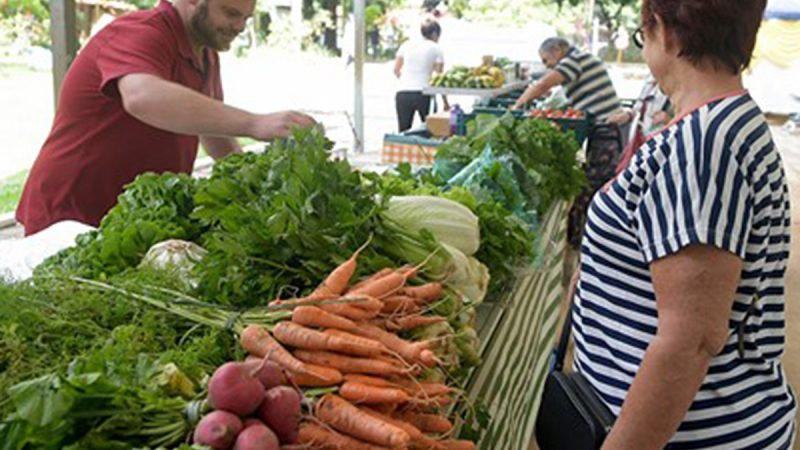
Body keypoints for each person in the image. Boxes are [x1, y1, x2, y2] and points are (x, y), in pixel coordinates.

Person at [572, 0, 797, 448]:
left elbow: (691, 340)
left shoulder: (702, 146)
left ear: (668, 33)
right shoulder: (722, 125)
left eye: (643, 34)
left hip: (694, 434)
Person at [16, 0, 315, 236]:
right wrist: (255, 123)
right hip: (70, 215)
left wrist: (254, 189)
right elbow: (142, 96)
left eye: (245, 19)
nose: (239, 26)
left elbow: (214, 133)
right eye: (230, 13)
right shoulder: (141, 31)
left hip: (132, 218)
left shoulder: (207, 55)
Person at [513, 37, 624, 249]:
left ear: (557, 49)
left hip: (607, 130)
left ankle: (587, 243)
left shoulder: (574, 60)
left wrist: (517, 106)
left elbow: (544, 84)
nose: (547, 66)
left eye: (546, 60)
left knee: (593, 187)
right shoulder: (579, 59)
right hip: (604, 129)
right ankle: (586, 241)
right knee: (592, 185)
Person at [608, 75, 671, 174]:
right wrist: (627, 115)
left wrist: (668, 119)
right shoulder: (650, 81)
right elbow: (638, 107)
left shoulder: (677, 83)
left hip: (660, 142)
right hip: (640, 138)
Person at [393, 18, 446, 132]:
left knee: (403, 131)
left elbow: (396, 70)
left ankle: (402, 148)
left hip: (403, 93)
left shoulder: (406, 45)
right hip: (424, 93)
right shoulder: (436, 48)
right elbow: (440, 79)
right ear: (435, 34)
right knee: (431, 130)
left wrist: (407, 81)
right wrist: (446, 102)